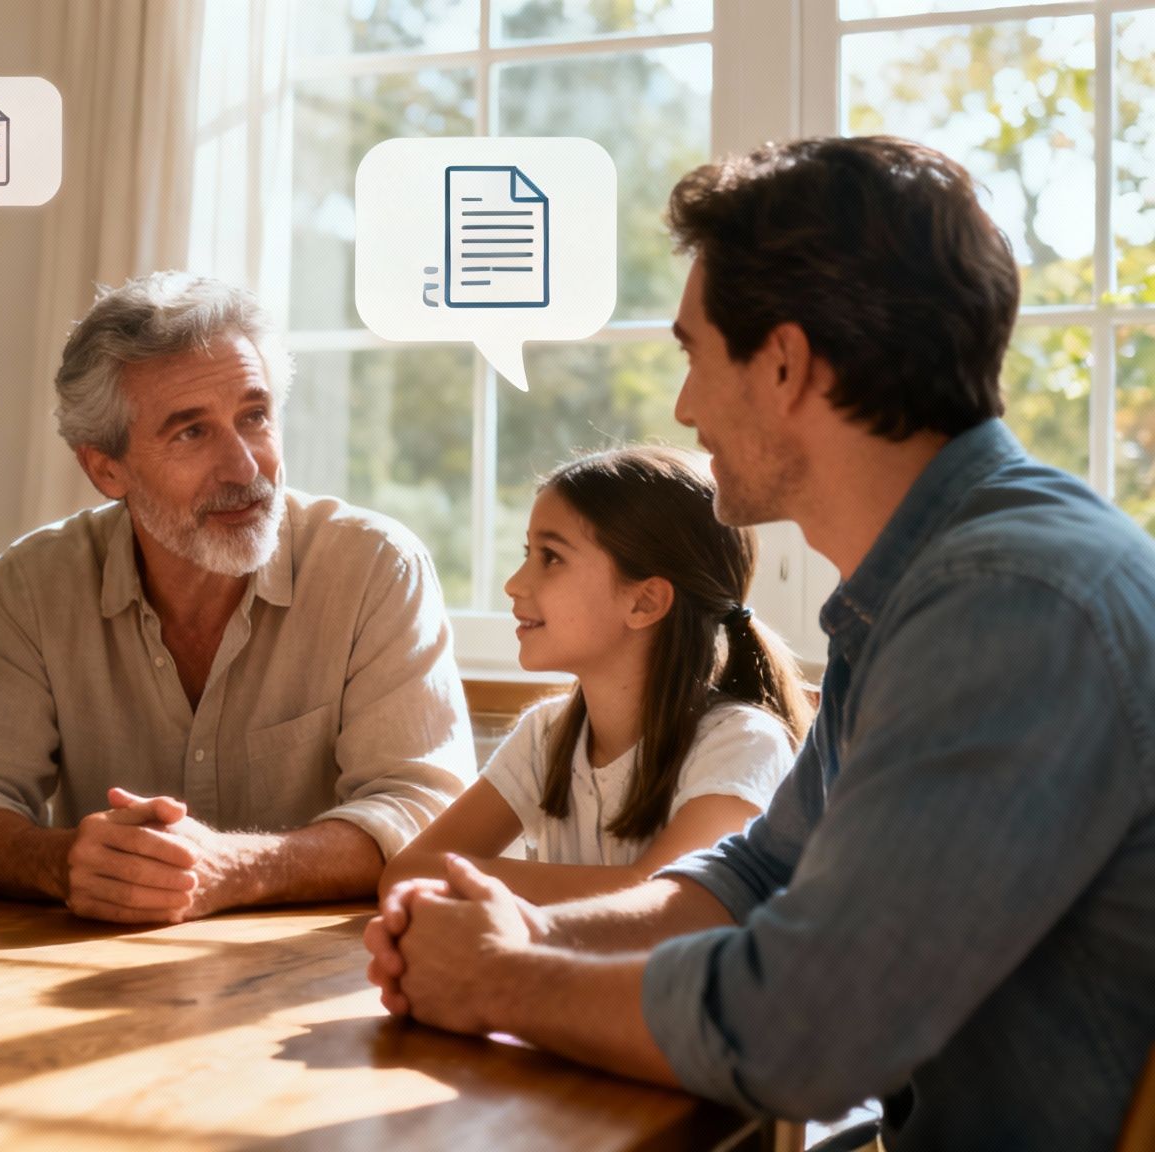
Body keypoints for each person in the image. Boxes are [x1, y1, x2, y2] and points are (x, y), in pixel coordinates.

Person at [364, 135, 1155, 1151]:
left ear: (782, 365)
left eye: (693, 354)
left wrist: (498, 979)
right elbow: (754, 876)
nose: (683, 406)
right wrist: (532, 931)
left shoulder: (1007, 602)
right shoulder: (919, 590)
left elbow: (802, 1027)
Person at [0, 272, 474, 924]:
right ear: (105, 469)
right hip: (99, 959)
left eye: (255, 417)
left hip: (328, 968)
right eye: (191, 433)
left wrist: (234, 868)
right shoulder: (36, 584)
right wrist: (60, 862)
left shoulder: (376, 566)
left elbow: (425, 815)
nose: (245, 467)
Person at [381, 446, 807, 905]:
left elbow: (664, 901)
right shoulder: (545, 736)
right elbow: (407, 873)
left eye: (551, 557)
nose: (514, 584)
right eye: (528, 552)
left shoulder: (742, 744)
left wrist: (472, 882)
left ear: (644, 602)